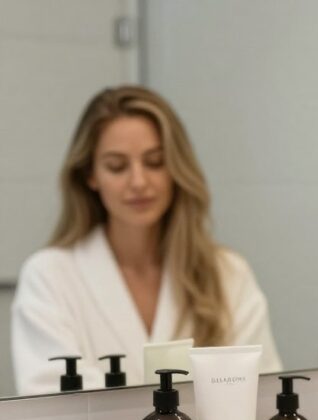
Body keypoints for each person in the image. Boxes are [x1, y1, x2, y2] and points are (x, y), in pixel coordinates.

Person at [12, 86, 282, 395]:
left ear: (176, 169)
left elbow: (263, 392)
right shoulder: (49, 277)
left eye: (155, 162)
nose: (139, 182)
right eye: (117, 166)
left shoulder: (228, 273)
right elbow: (49, 404)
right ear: (90, 175)